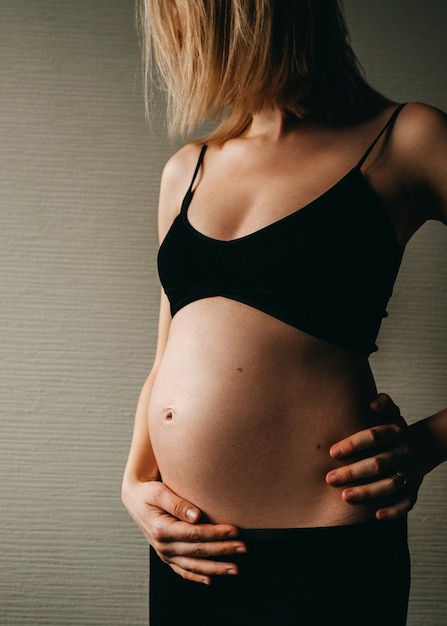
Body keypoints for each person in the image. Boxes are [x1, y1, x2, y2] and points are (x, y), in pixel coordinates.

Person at [122, 1, 447, 624]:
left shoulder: (407, 137)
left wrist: (429, 443)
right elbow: (167, 355)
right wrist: (135, 484)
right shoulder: (185, 169)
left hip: (326, 561)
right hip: (190, 554)